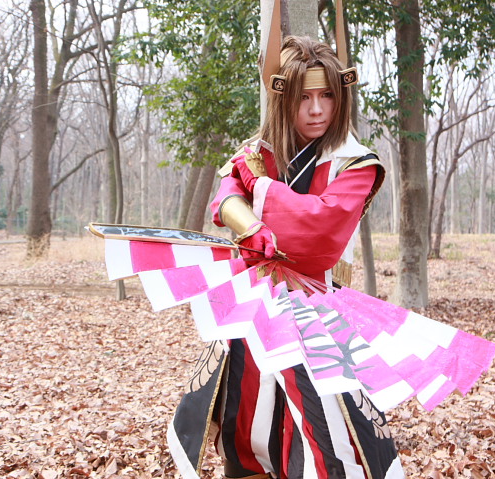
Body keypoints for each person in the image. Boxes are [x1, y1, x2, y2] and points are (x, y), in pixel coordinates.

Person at [167, 36, 404, 479]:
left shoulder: (355, 162)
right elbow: (225, 198)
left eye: (326, 96)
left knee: (324, 430)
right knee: (244, 421)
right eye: (303, 98)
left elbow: (320, 228)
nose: (316, 110)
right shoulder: (262, 150)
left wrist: (259, 189)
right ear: (283, 100)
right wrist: (250, 225)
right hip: (254, 304)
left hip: (315, 308)